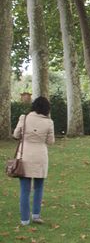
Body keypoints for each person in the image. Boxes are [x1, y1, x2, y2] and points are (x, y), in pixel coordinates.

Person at [12, 96, 55, 226]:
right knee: (39, 187)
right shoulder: (49, 122)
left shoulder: (24, 118)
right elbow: (50, 141)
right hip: (40, 157)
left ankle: (24, 220)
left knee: (24, 190)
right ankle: (36, 215)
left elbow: (16, 135)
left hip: (25, 156)